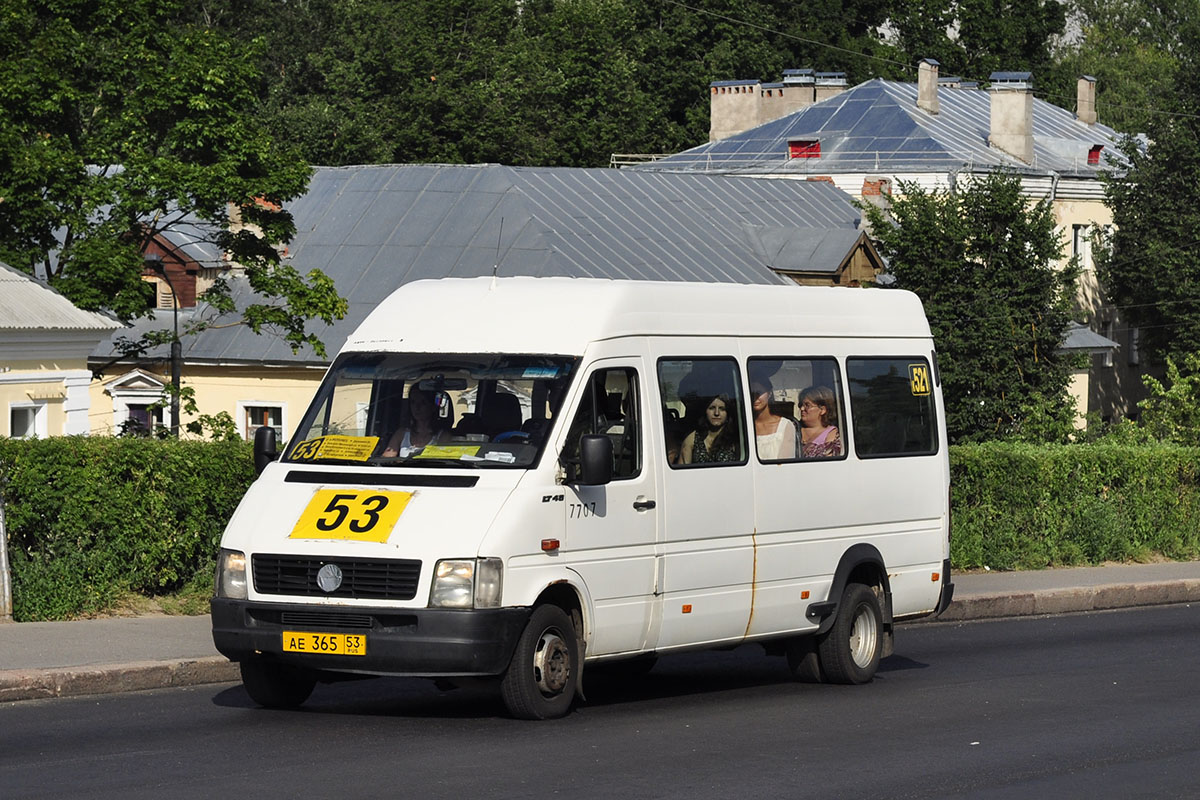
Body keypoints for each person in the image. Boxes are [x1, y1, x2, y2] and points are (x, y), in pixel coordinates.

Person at [382, 385, 449, 457]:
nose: (417, 407)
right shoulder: (401, 434)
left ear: (433, 406)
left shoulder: (443, 436)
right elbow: (386, 459)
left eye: (423, 402)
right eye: (413, 402)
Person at [680, 393, 740, 464]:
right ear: (705, 411)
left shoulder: (735, 440)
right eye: (712, 408)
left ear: (728, 414)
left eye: (722, 409)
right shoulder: (692, 439)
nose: (716, 413)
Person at [750, 378, 796, 460]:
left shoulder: (785, 425)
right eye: (752, 393)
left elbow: (786, 462)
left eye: (759, 393)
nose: (755, 397)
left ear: (769, 393)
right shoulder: (746, 426)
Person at [798, 385, 842, 458]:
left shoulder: (832, 434)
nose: (802, 409)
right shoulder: (793, 428)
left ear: (822, 410)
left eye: (807, 405)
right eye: (801, 405)